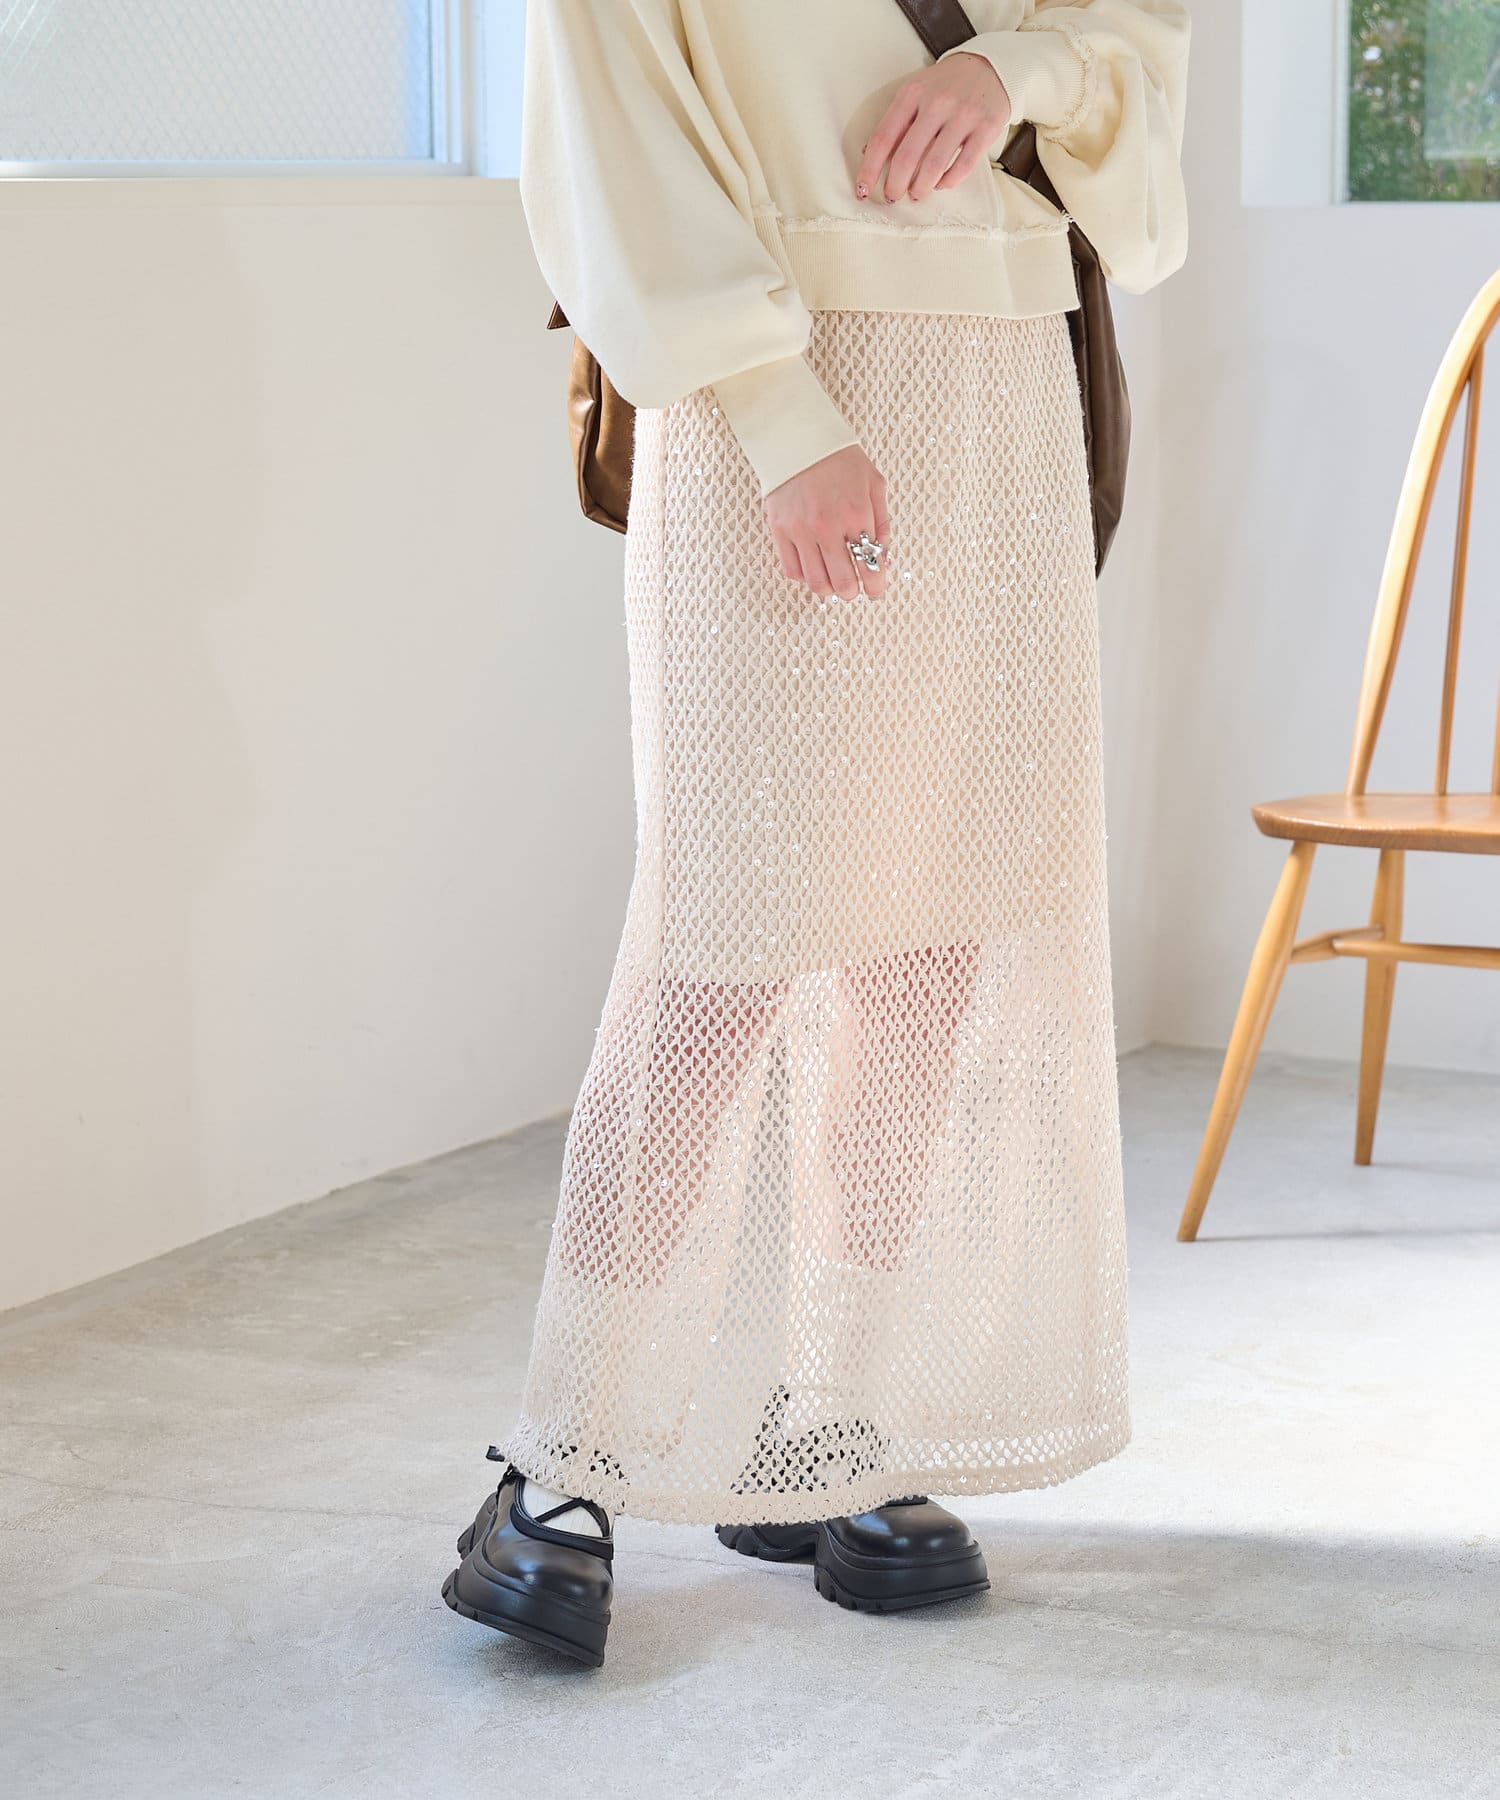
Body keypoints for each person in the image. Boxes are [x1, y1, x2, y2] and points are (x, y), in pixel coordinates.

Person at [443, 0, 1191, 1667]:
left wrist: (1018, 70)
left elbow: (1134, 47)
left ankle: (831, 1417)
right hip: (764, 389)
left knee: (935, 935)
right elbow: (612, 123)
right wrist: (781, 419)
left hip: (1006, 377)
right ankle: (568, 1451)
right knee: (720, 939)